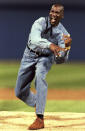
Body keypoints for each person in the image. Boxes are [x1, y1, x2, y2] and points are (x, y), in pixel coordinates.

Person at [15, 3, 72, 130]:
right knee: (19, 92)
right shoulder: (40, 22)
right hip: (29, 55)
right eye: (52, 11)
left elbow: (61, 60)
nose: (53, 14)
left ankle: (40, 118)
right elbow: (35, 39)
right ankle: (38, 103)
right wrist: (51, 45)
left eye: (57, 13)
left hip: (45, 58)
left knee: (40, 77)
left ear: (62, 15)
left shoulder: (64, 34)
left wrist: (66, 48)